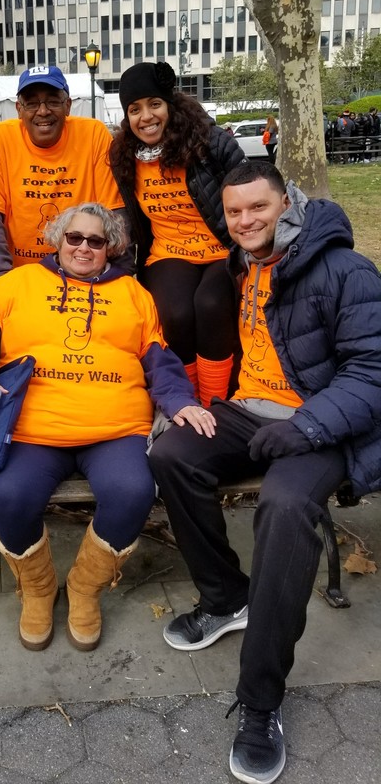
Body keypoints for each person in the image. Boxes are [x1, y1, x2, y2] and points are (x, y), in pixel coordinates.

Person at [148, 161, 381, 784]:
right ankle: (227, 600)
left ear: (288, 203)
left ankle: (260, 702)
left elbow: (372, 374)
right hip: (249, 413)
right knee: (172, 455)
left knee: (283, 508)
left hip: (320, 424)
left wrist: (305, 427)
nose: (246, 221)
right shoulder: (244, 263)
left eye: (258, 208)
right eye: (234, 212)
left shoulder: (344, 271)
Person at [0, 202, 210, 653]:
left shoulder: (133, 294)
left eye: (96, 240)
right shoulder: (15, 284)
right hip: (34, 427)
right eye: (75, 237)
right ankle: (39, 588)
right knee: (8, 496)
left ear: (111, 248)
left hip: (115, 427)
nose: (84, 247)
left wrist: (181, 401)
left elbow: (159, 361)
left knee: (132, 491)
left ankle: (86, 588)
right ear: (57, 240)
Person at [109, 61, 247, 406]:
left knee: (211, 304)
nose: (146, 117)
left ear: (170, 105)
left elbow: (249, 187)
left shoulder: (209, 141)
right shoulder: (124, 155)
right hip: (168, 252)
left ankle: (215, 403)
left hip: (223, 248)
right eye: (135, 109)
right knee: (175, 313)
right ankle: (185, 402)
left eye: (154, 104)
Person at [0, 65, 128, 281]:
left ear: (68, 105)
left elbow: (114, 212)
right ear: (19, 109)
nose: (43, 111)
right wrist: (1, 277)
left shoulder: (93, 135)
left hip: (83, 272)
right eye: (32, 103)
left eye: (53, 101)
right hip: (20, 274)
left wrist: (115, 273)